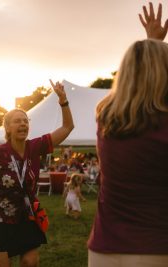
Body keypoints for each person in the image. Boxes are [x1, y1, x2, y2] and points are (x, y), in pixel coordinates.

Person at [87, 3, 168, 266]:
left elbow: (132, 88)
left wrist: (150, 45)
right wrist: (155, 47)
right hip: (155, 248)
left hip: (102, 251)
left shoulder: (106, 120)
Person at [0, 80, 74, 267]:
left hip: (27, 214)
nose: (23, 124)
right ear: (8, 128)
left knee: (30, 262)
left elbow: (67, 128)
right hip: (0, 216)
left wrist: (63, 100)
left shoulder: (36, 146)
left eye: (26, 121)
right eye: (18, 121)